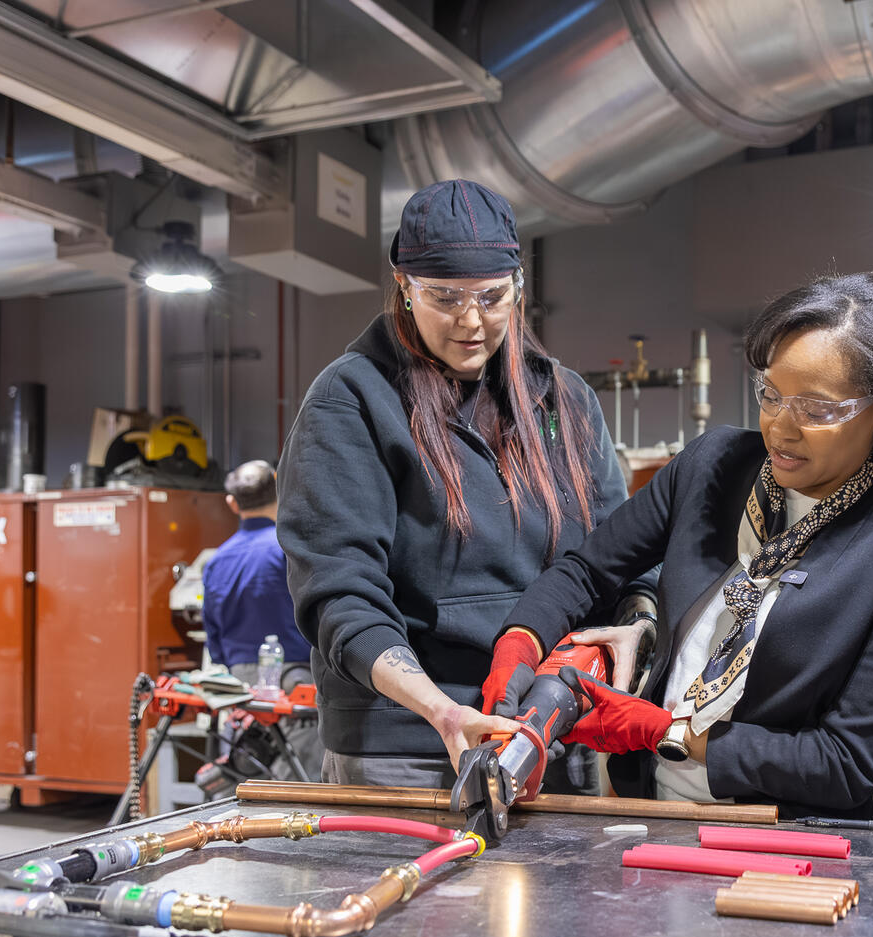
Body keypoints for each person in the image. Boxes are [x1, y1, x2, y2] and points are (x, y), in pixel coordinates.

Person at [485, 271, 873, 817]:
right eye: (772, 395)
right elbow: (589, 571)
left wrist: (670, 733)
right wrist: (520, 640)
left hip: (780, 835)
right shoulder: (714, 464)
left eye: (817, 410)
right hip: (652, 809)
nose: (782, 428)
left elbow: (845, 763)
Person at [277, 179, 653, 790]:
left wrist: (635, 624)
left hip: (551, 726)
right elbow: (338, 591)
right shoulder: (352, 400)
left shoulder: (563, 399)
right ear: (403, 286)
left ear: (518, 288)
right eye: (446, 298)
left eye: (491, 297)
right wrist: (442, 712)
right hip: (411, 742)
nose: (471, 321)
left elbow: (622, 550)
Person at [202, 460, 312, 683]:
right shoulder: (289, 548)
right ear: (278, 488)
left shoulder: (217, 561)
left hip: (239, 679)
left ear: (232, 503)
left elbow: (211, 626)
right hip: (296, 675)